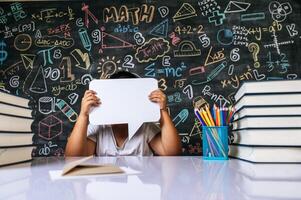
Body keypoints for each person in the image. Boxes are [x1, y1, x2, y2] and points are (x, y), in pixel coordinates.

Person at [65, 71, 182, 156]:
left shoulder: (145, 127)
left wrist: (163, 111)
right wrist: (83, 115)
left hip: (140, 186)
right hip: (106, 187)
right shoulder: (98, 128)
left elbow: (172, 153)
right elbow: (73, 157)